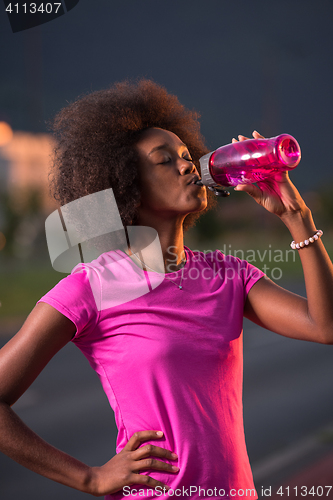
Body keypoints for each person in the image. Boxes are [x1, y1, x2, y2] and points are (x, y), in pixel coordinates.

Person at [0, 79, 332, 500]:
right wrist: (90, 478)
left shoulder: (228, 274)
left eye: (186, 156)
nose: (187, 166)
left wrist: (297, 217)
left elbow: (326, 326)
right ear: (127, 187)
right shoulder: (92, 286)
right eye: (164, 161)